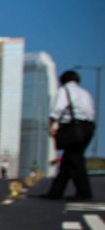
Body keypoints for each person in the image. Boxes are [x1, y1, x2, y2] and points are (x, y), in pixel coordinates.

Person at [39, 70, 96, 200]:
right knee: (68, 160)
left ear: (62, 80)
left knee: (75, 160)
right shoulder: (85, 92)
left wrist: (51, 126)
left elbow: (57, 109)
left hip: (74, 128)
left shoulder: (65, 90)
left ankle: (84, 193)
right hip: (88, 127)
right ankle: (55, 192)